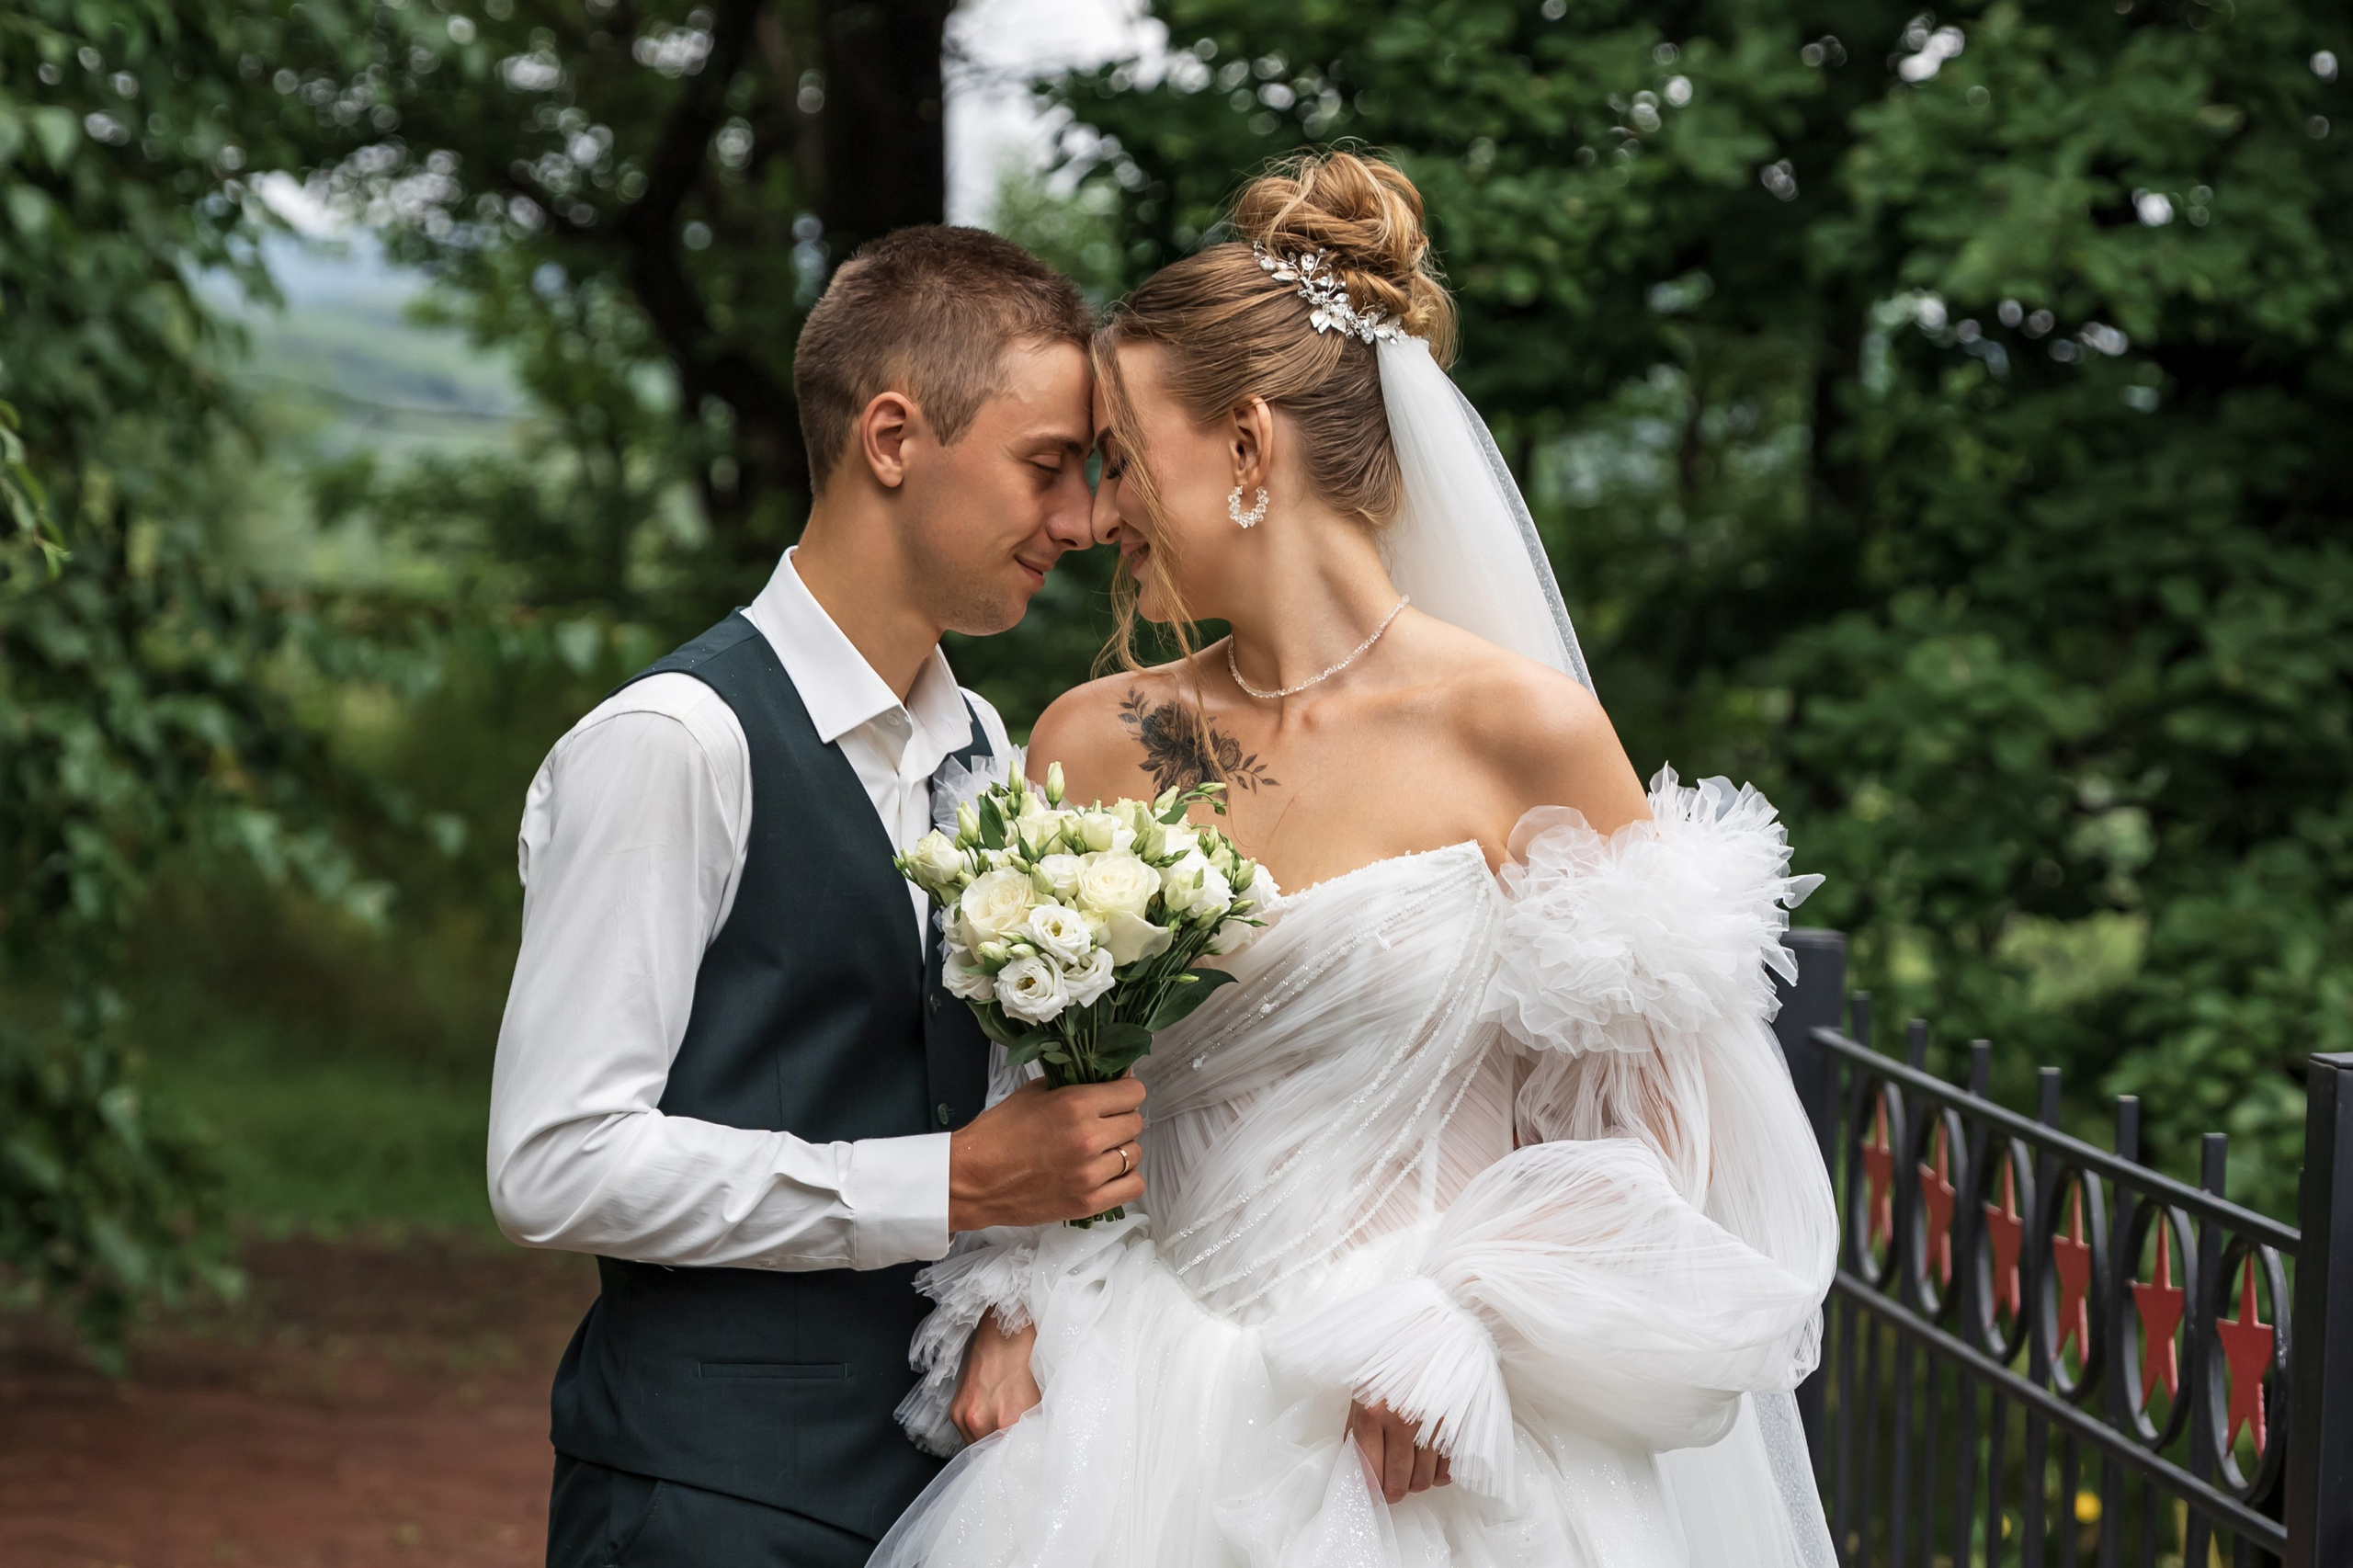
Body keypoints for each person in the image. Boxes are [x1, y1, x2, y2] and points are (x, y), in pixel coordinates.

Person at [876, 153, 1840, 1567]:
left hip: (1418, 1446)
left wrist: (1467, 1317)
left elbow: (1675, 1141)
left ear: (1250, 449)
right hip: (1131, 1415)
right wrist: (1018, 1295)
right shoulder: (1095, 737)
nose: (1095, 513)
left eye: (1125, 459)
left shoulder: (1521, 737)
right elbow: (1051, 1092)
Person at [486, 226, 1154, 1568]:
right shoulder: (677, 743)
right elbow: (552, 1162)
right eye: (1045, 467)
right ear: (894, 437)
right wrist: (951, 1180)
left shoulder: (984, 741)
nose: (1081, 521)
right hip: (705, 1501)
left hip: (945, 1497)